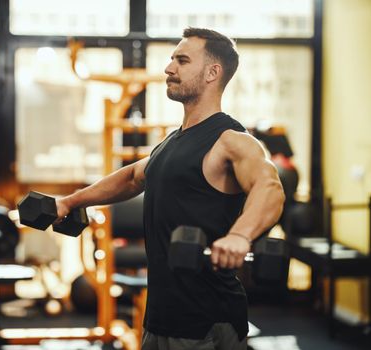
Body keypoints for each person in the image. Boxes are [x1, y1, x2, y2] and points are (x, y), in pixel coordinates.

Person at [56, 27, 285, 350]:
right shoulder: (172, 143)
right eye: (171, 59)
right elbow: (133, 177)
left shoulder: (232, 140)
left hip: (205, 321)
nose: (169, 68)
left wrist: (240, 235)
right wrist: (70, 202)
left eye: (182, 60)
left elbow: (270, 187)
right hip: (161, 317)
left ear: (212, 72)